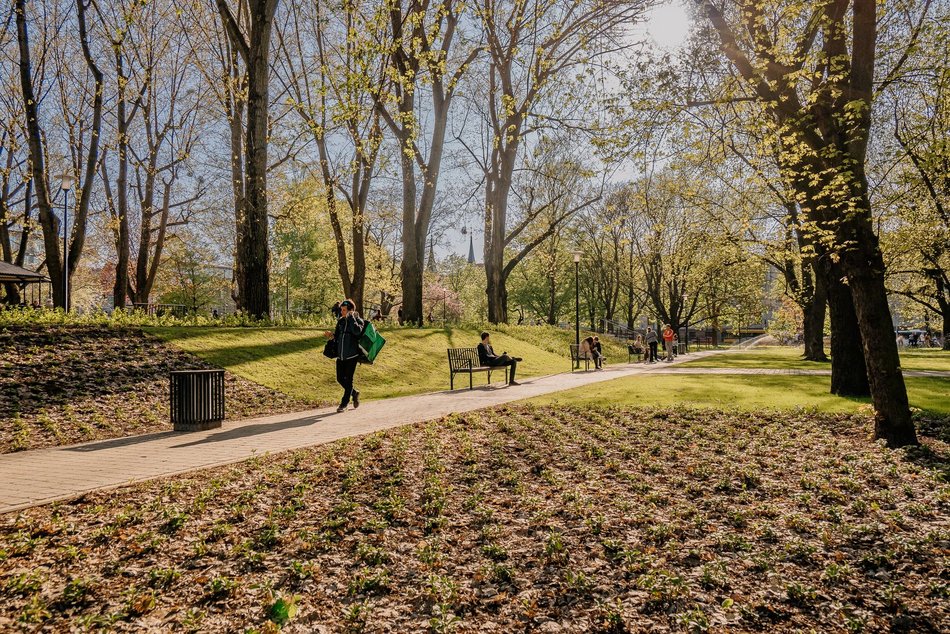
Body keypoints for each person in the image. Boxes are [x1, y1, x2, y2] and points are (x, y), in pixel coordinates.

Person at [324, 299, 365, 412]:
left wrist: (351, 317)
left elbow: (357, 332)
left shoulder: (358, 320)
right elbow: (337, 336)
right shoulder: (341, 321)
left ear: (350, 311)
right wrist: (331, 335)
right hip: (341, 356)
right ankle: (354, 393)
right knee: (339, 378)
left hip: (352, 356)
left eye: (344, 310)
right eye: (341, 310)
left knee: (349, 380)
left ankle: (344, 404)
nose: (341, 312)